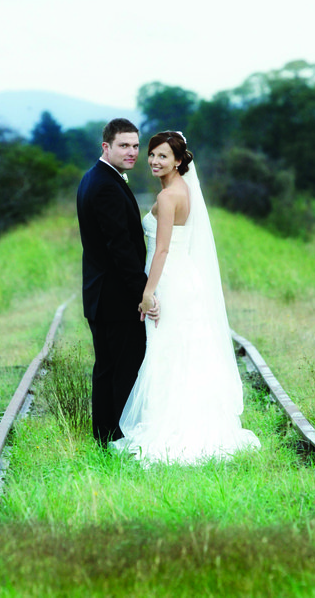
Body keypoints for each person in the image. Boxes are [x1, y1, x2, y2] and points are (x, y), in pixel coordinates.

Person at [111, 131, 261, 464]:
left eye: (162, 156)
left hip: (169, 282)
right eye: (151, 154)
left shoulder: (168, 198)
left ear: (179, 161)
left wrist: (148, 293)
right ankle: (192, 420)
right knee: (183, 351)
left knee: (168, 352)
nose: (153, 160)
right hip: (183, 278)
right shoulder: (183, 190)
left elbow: (162, 249)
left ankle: (172, 427)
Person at [76, 118, 158, 446]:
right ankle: (119, 437)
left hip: (101, 294)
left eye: (136, 146)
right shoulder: (106, 185)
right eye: (124, 145)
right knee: (124, 366)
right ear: (106, 146)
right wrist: (144, 292)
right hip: (115, 297)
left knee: (108, 367)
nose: (132, 152)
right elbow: (120, 247)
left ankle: (105, 435)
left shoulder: (94, 178)